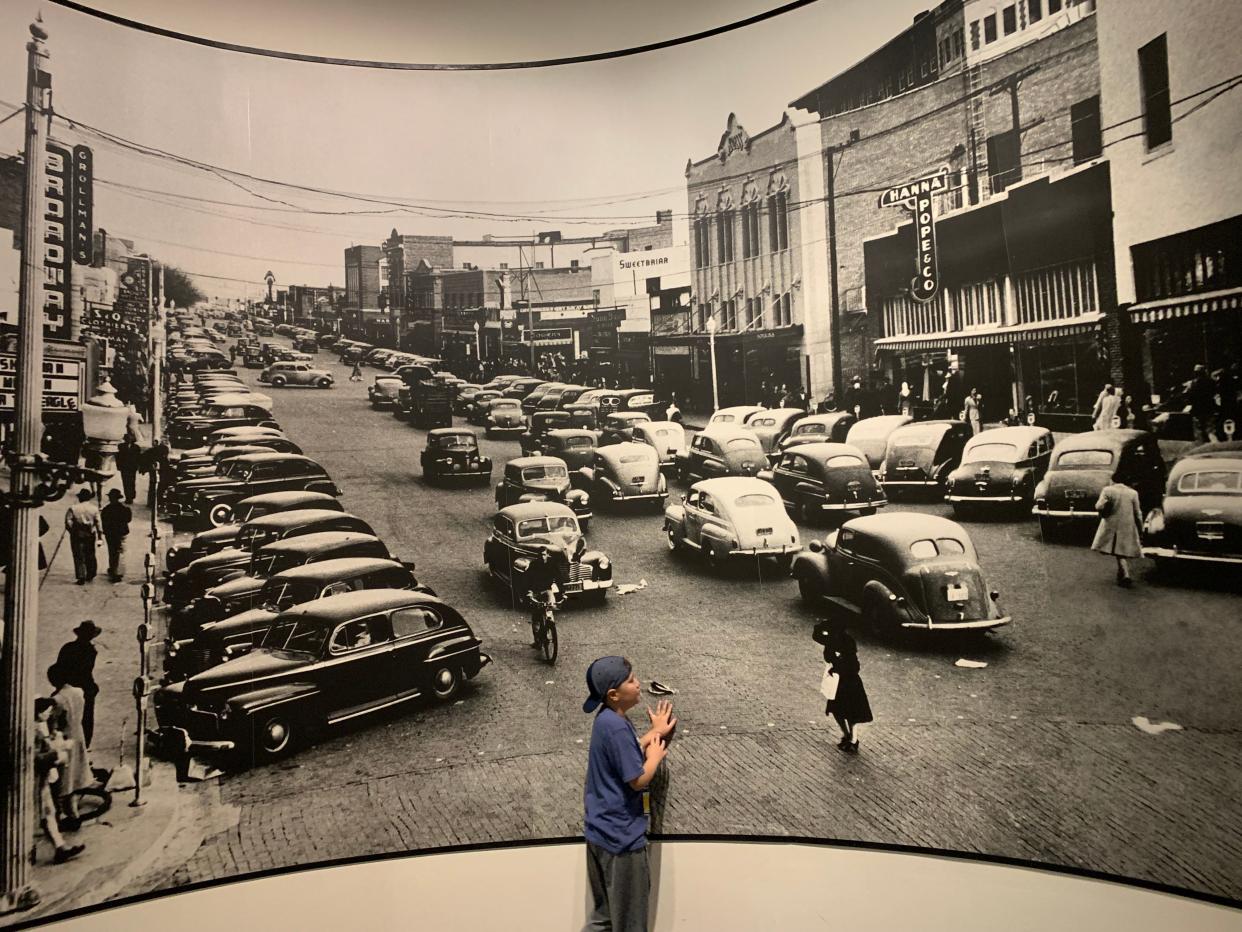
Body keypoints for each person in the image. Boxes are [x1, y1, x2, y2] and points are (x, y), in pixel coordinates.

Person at [581, 656, 676, 932]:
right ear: (614, 694)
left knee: (604, 918)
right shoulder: (617, 727)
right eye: (632, 681)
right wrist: (655, 756)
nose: (638, 684)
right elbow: (636, 779)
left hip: (599, 834)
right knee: (631, 922)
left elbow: (627, 750)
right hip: (621, 839)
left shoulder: (605, 721)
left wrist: (652, 734)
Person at [34, 698, 85, 865]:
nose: (48, 715)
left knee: (47, 814)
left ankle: (60, 848)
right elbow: (35, 758)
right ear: (38, 712)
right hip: (34, 781)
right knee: (40, 815)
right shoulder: (32, 730)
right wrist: (58, 754)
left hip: (42, 779)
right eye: (46, 712)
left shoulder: (40, 727)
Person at [812, 621, 873, 753]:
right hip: (839, 684)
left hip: (849, 684)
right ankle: (848, 736)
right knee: (840, 711)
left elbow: (854, 666)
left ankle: (852, 739)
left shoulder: (845, 643)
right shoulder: (833, 642)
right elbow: (817, 634)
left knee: (849, 713)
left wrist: (837, 668)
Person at [47, 664, 91, 831]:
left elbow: (54, 724)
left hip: (65, 739)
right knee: (73, 776)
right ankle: (73, 814)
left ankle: (62, 816)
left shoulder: (57, 699)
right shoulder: (79, 692)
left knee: (62, 780)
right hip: (78, 735)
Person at [1091, 468, 1144, 588]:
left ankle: (1125, 575)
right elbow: (1138, 513)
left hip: (1111, 524)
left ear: (1113, 479)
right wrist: (1140, 528)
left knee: (1118, 551)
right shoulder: (1133, 493)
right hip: (1127, 524)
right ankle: (1122, 575)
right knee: (1120, 551)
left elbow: (1098, 506)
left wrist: (1105, 509)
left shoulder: (1108, 490)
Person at [55, 621, 102, 748]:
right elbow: (85, 672)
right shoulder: (90, 651)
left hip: (66, 688)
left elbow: (58, 669)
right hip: (83, 690)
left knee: (67, 721)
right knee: (85, 721)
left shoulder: (68, 647)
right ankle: (84, 748)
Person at [64, 488, 102, 585]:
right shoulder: (94, 508)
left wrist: (72, 531)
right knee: (90, 553)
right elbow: (98, 523)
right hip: (90, 534)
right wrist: (100, 535)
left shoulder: (73, 508)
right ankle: (91, 573)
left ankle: (81, 576)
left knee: (78, 555)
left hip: (77, 534)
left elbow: (68, 522)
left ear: (80, 498)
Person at [100, 489, 132, 582]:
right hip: (121, 533)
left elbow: (104, 522)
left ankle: (113, 569)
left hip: (110, 534)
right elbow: (128, 519)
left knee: (112, 551)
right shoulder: (124, 509)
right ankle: (119, 572)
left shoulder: (106, 509)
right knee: (120, 551)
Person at [1188, 364, 1217, 443]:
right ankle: (1215, 445)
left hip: (1197, 410)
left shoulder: (1192, 383)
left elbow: (1189, 396)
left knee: (1198, 432)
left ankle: (1201, 450)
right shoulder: (1211, 382)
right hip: (1209, 409)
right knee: (1210, 430)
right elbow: (1214, 393)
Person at [114, 435, 142, 504]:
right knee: (125, 482)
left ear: (132, 439)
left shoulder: (136, 447)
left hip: (132, 468)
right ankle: (127, 497)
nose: (128, 440)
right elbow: (118, 457)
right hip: (124, 468)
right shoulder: (121, 446)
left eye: (130, 438)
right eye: (127, 439)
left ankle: (132, 496)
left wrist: (138, 466)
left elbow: (139, 458)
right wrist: (118, 466)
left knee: (132, 482)